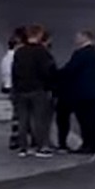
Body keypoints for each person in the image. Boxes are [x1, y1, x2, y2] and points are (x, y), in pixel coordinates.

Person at [56, 30, 95, 155]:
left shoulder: (81, 53)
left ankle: (87, 145)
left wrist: (56, 75)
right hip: (92, 91)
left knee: (85, 119)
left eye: (78, 37)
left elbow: (70, 70)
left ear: (85, 37)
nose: (76, 39)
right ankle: (92, 145)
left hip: (82, 92)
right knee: (92, 119)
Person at [11, 24, 57, 158]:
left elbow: (14, 71)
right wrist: (51, 86)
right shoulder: (42, 52)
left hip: (21, 89)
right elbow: (47, 71)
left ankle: (23, 148)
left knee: (23, 119)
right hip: (37, 89)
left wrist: (15, 88)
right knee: (39, 119)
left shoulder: (20, 52)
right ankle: (41, 147)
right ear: (39, 35)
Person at [0, 26, 28, 150]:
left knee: (17, 115)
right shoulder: (16, 56)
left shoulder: (7, 57)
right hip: (18, 88)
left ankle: (16, 138)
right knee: (22, 115)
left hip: (12, 87)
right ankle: (18, 139)